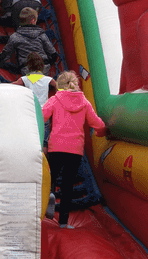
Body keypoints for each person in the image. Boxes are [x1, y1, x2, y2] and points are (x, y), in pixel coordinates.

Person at [41, 71, 106, 228]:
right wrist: (101, 132)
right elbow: (98, 124)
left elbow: (42, 116)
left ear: (60, 85)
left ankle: (49, 194)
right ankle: (63, 222)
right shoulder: (84, 102)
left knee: (51, 177)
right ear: (76, 84)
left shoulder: (55, 100)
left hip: (56, 146)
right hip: (75, 149)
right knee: (68, 185)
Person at [0, 7, 59, 76]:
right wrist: (45, 63)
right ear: (33, 20)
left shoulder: (15, 36)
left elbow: (5, 54)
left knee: (11, 64)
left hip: (26, 69)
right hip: (43, 69)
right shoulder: (41, 35)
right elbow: (53, 54)